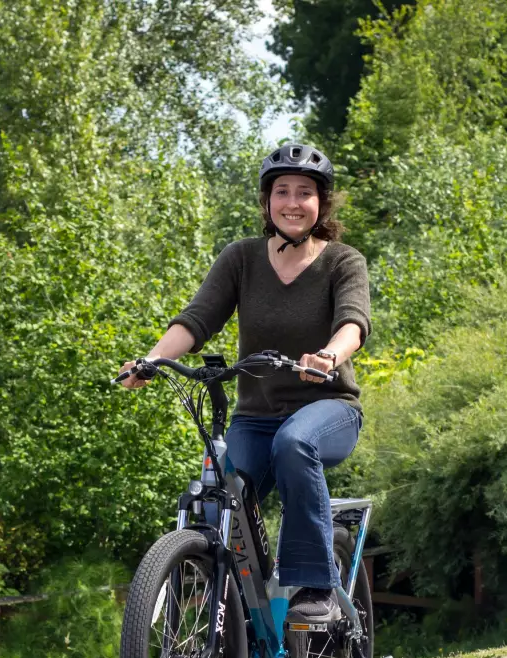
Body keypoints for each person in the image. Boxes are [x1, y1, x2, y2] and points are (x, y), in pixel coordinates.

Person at [118, 144, 371, 624]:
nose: (292, 202)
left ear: (323, 204)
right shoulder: (241, 259)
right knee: (221, 486)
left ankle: (315, 585)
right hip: (256, 416)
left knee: (296, 443)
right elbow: (196, 320)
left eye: (305, 192)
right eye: (282, 192)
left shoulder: (343, 261)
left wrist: (328, 357)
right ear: (266, 201)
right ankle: (229, 632)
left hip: (328, 407)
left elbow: (353, 324)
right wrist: (152, 360)